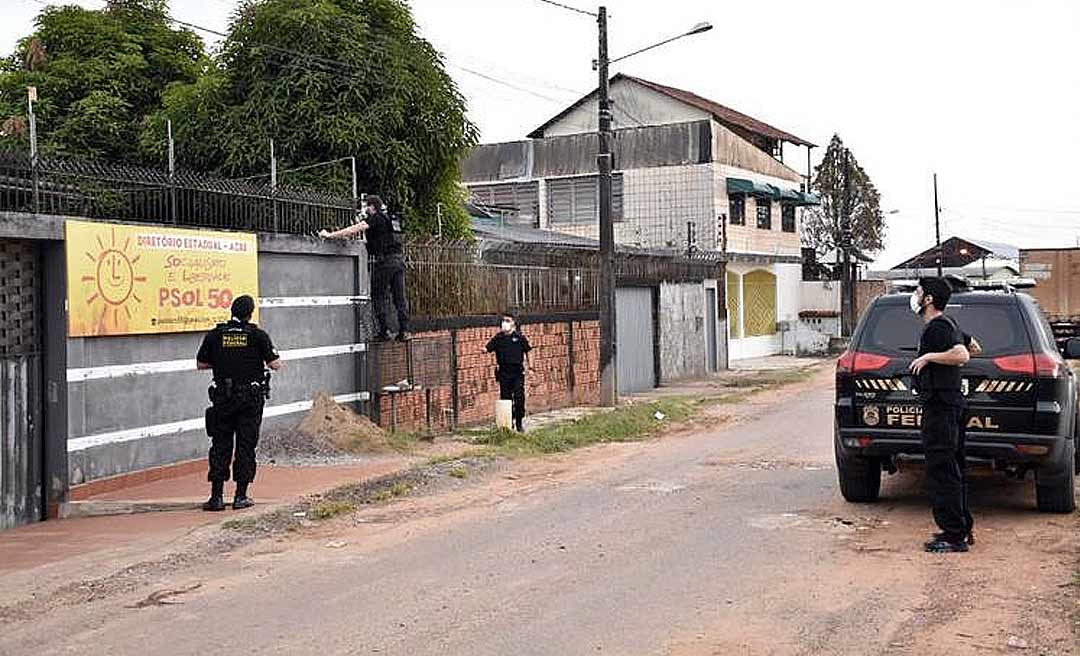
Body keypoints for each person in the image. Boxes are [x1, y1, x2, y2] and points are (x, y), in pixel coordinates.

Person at [197, 295, 282, 511]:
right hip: (250, 401)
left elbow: (201, 364)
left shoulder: (215, 335)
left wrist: (223, 362)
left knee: (220, 445)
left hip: (223, 399)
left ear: (231, 311)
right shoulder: (257, 335)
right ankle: (240, 496)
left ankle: (216, 498)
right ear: (250, 313)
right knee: (246, 446)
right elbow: (275, 364)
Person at [909, 277, 973, 553]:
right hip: (951, 404)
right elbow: (974, 345)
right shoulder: (949, 325)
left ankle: (954, 536)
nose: (915, 295)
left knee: (941, 468)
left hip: (941, 407)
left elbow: (963, 355)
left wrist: (928, 358)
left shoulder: (937, 327)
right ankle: (962, 528)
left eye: (919, 291)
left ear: (929, 299)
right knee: (953, 467)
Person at [319, 195, 410, 342]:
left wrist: (331, 235)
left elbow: (355, 229)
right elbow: (373, 240)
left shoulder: (376, 218)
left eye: (366, 206)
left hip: (385, 261)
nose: (364, 209)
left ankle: (384, 330)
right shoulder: (389, 220)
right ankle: (404, 331)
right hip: (399, 260)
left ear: (372, 206)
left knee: (378, 295)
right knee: (399, 297)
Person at [485, 313, 532, 432]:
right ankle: (507, 423)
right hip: (504, 373)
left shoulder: (519, 338)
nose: (504, 323)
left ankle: (519, 422)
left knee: (519, 397)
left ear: (513, 323)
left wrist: (531, 367)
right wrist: (483, 350)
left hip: (517, 373)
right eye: (503, 321)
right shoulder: (498, 338)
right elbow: (487, 348)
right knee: (506, 399)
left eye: (507, 321)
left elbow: (528, 351)